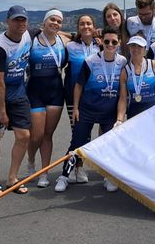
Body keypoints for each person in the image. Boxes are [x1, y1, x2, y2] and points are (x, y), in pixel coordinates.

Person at [54, 27, 126, 193]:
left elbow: (123, 92)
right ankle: (64, 176)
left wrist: (120, 117)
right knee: (77, 143)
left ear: (119, 43)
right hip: (87, 109)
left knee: (110, 145)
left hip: (109, 112)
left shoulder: (122, 62)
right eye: (106, 41)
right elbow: (78, 86)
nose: (110, 45)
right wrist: (76, 108)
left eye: (114, 42)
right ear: (102, 42)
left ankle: (109, 177)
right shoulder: (91, 61)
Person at [0, 6, 32, 196]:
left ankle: (13, 178)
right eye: (16, 20)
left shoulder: (28, 35)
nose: (20, 23)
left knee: (24, 136)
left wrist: (75, 37)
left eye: (23, 20)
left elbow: (50, 28)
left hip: (18, 92)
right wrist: (3, 113)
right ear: (8, 21)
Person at [26, 9, 69, 188]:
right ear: (44, 22)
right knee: (36, 135)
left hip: (56, 93)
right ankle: (30, 162)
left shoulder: (63, 41)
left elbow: (81, 39)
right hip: (34, 92)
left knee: (48, 135)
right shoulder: (31, 40)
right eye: (52, 19)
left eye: (59, 21)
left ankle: (44, 173)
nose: (55, 23)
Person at [63, 14, 100, 183]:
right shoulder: (70, 46)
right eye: (82, 24)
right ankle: (73, 169)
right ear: (78, 27)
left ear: (94, 27)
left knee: (86, 135)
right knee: (77, 134)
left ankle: (79, 167)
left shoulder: (100, 46)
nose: (86, 26)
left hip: (92, 97)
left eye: (89, 23)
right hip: (73, 96)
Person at [116, 35, 155, 122]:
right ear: (129, 48)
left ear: (145, 50)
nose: (136, 49)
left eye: (139, 46)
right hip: (133, 114)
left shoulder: (154, 65)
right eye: (133, 45)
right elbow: (123, 98)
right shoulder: (125, 72)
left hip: (153, 112)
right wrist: (119, 120)